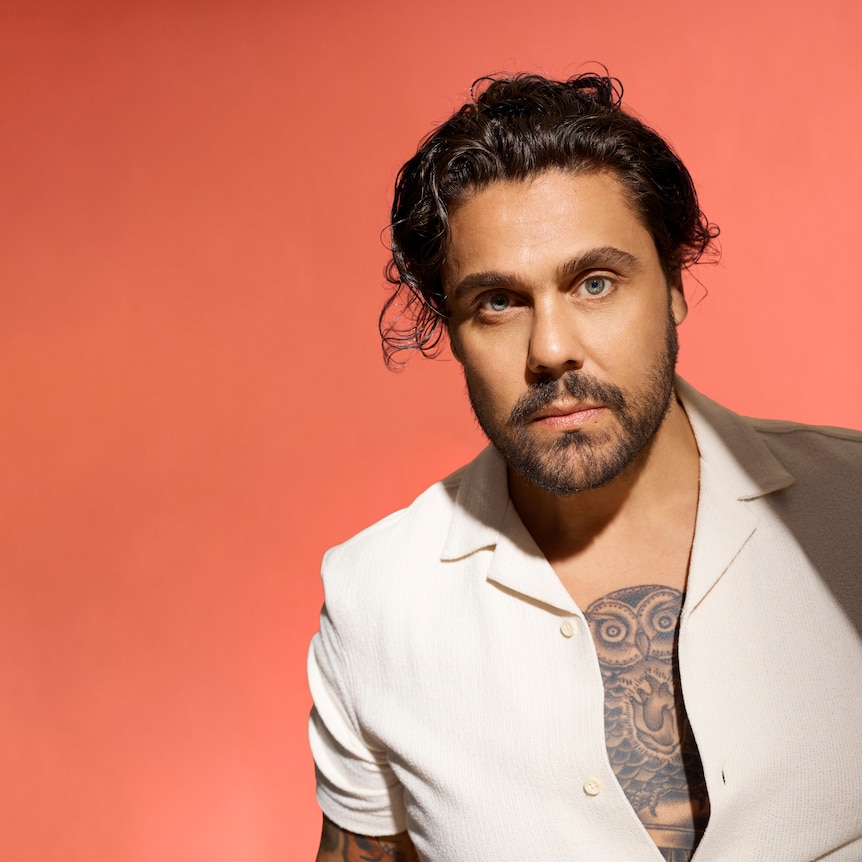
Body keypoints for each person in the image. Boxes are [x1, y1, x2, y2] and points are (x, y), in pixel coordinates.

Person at [307, 72, 862, 862]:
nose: (551, 348)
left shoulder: (854, 511)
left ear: (673, 285)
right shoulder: (375, 603)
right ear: (453, 331)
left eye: (594, 283)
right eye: (499, 301)